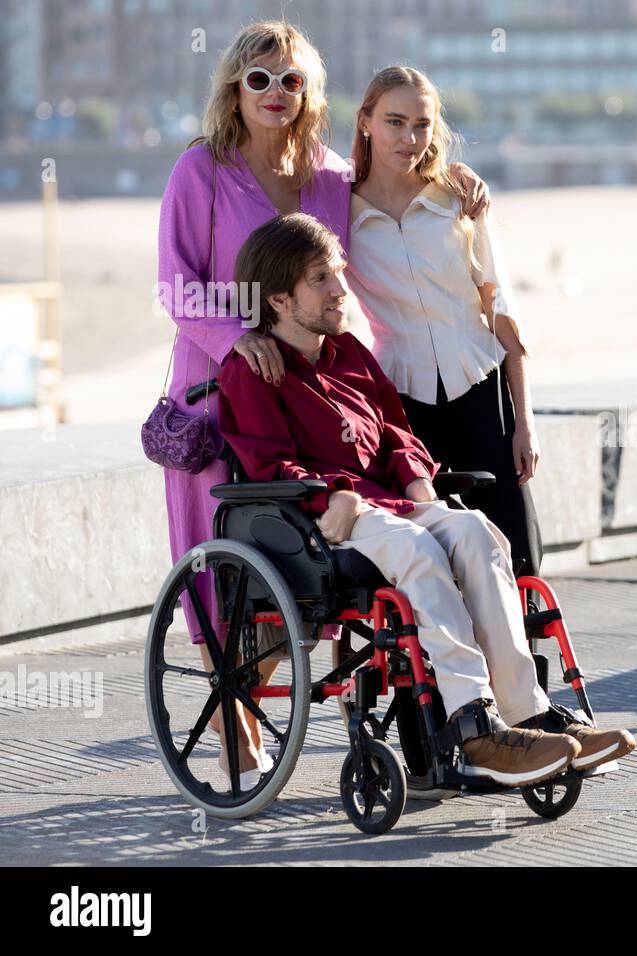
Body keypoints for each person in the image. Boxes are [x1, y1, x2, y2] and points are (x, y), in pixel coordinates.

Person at [157, 21, 488, 785]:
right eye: (259, 79)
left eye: (291, 80)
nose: (276, 93)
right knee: (220, 564)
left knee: (316, 552)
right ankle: (234, 715)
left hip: (307, 392)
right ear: (235, 89)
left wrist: (455, 184)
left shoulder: (331, 175)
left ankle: (372, 704)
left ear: (310, 91)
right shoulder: (200, 171)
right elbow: (174, 283)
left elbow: (396, 181)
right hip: (218, 388)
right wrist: (239, 336)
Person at [217, 212, 636, 785]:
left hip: (390, 504)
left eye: (337, 273)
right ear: (280, 300)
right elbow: (267, 464)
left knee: (478, 533)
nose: (341, 289)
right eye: (321, 279)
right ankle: (474, 726)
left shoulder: (351, 354)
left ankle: (528, 711)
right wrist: (332, 494)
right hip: (324, 520)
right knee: (417, 547)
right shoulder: (252, 374)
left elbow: (394, 432)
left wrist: (418, 480)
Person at [345, 66, 543, 579]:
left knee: (516, 556)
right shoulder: (338, 213)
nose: (409, 138)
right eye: (394, 121)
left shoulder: (460, 200)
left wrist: (525, 424)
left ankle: (523, 659)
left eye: (421, 124)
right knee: (432, 555)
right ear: (365, 120)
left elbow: (502, 315)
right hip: (402, 406)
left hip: (483, 388)